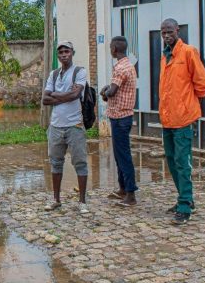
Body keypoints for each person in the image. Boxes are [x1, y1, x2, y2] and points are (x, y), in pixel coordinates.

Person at [158, 18, 205, 225]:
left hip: (183, 118)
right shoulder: (165, 56)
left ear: (177, 30)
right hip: (168, 118)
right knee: (171, 161)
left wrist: (188, 103)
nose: (166, 35)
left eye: (169, 31)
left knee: (182, 162)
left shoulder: (188, 52)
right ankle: (185, 198)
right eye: (163, 32)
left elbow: (202, 82)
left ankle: (185, 205)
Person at [42, 41, 90, 214]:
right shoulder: (54, 74)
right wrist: (64, 95)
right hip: (55, 126)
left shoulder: (79, 72)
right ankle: (56, 199)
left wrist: (55, 94)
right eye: (61, 52)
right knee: (55, 163)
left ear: (72, 53)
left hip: (74, 125)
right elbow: (45, 99)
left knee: (80, 163)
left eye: (67, 51)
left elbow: (76, 94)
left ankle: (82, 202)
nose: (64, 54)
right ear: (58, 55)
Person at [99, 36, 138, 207]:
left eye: (110, 47)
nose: (110, 50)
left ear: (114, 49)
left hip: (121, 118)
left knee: (123, 156)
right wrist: (108, 90)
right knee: (119, 155)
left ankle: (130, 194)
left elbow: (112, 91)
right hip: (120, 115)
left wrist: (104, 90)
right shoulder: (128, 65)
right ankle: (123, 188)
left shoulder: (120, 67)